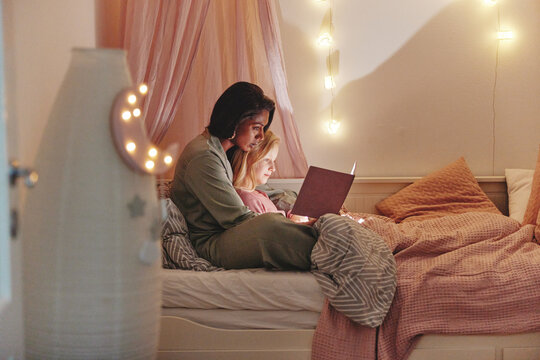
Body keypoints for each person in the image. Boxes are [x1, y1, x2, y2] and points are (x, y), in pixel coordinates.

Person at [170, 82, 317, 270]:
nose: (261, 136)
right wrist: (287, 222)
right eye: (256, 127)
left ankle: (331, 244)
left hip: (225, 235)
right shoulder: (203, 156)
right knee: (269, 226)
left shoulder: (222, 151)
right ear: (234, 121)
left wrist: (292, 207)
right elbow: (236, 217)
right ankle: (331, 252)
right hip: (211, 243)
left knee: (274, 221)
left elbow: (254, 188)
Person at [230, 130, 285, 216]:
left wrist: (292, 218)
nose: (273, 168)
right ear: (248, 158)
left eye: (273, 161)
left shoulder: (257, 194)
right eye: (267, 160)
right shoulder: (249, 201)